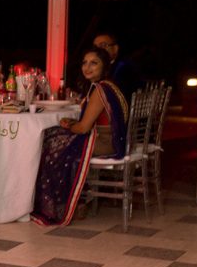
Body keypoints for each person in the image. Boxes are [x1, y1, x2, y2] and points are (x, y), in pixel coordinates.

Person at [31, 47, 128, 226]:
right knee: (54, 135)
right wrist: (70, 125)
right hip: (111, 139)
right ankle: (77, 200)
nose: (87, 67)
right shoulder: (108, 85)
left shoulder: (100, 89)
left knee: (51, 143)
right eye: (85, 62)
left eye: (94, 63)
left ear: (104, 66)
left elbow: (83, 128)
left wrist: (70, 126)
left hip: (106, 142)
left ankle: (63, 205)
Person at [93, 31, 142, 99]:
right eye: (95, 47)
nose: (98, 51)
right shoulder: (94, 68)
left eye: (103, 45)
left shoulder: (124, 67)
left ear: (115, 49)